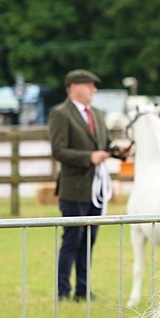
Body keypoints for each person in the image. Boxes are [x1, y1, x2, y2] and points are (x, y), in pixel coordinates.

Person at [49, 69, 113, 301]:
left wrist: (120, 151)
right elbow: (59, 150)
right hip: (74, 189)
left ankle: (83, 289)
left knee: (89, 241)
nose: (93, 90)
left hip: (95, 189)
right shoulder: (61, 114)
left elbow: (105, 144)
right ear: (74, 87)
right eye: (89, 85)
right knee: (72, 240)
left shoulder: (96, 113)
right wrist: (88, 157)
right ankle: (63, 290)